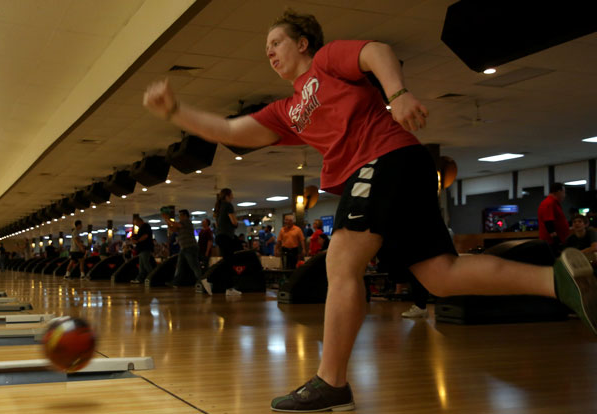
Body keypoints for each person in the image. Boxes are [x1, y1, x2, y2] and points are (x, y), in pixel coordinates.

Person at [143, 10, 597, 412]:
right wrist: (177, 112)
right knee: (439, 274)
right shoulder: (287, 109)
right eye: (266, 49)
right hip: (396, 170)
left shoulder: (325, 63)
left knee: (341, 258)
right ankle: (557, 281)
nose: (270, 53)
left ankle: (332, 382)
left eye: (276, 43)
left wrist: (397, 93)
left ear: (302, 43)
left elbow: (377, 51)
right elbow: (231, 129)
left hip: (386, 157)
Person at [160, 209, 213, 293]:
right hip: (184, 248)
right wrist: (167, 221)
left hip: (190, 247)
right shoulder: (182, 224)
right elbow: (173, 229)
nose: (179, 217)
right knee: (179, 266)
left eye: (180, 215)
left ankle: (202, 282)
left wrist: (167, 219)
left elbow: (176, 225)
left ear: (185, 215)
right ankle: (175, 282)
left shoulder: (187, 222)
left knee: (194, 266)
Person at [213, 188, 242, 296]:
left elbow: (217, 224)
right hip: (226, 237)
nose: (233, 196)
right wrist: (237, 223)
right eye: (232, 194)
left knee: (227, 261)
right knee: (229, 262)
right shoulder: (228, 205)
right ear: (228, 195)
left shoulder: (219, 207)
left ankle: (223, 285)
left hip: (220, 236)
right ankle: (229, 288)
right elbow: (234, 222)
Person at [538, 182, 570, 256]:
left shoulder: (553, 203)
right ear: (559, 192)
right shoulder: (549, 203)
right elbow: (548, 223)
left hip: (553, 241)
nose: (564, 195)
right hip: (551, 243)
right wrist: (557, 241)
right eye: (564, 192)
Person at [130, 216, 154, 284]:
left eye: (136, 223)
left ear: (139, 221)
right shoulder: (142, 228)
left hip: (145, 248)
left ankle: (152, 277)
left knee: (146, 263)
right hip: (142, 249)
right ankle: (140, 279)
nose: (136, 225)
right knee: (142, 265)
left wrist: (137, 241)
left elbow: (145, 236)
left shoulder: (145, 226)